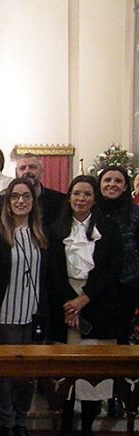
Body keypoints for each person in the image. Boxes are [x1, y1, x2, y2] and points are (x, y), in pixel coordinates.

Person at [48, 175, 122, 436]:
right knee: (66, 375)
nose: (81, 199)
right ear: (69, 196)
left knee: (93, 375)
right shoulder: (56, 229)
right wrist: (70, 303)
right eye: (77, 193)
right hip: (64, 305)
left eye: (87, 194)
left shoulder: (109, 229)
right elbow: (53, 270)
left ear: (94, 198)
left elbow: (111, 269)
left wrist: (84, 299)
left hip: (98, 304)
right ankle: (65, 428)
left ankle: (88, 430)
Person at [0, 178, 48, 436]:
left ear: (33, 203)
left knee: (29, 376)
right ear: (8, 203)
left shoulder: (43, 235)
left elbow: (49, 279)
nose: (21, 201)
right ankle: (7, 425)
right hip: (6, 314)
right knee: (7, 376)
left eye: (26, 197)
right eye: (15, 197)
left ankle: (22, 422)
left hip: (33, 315)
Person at [96, 166, 139, 417]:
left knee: (120, 343)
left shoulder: (134, 215)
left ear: (125, 186)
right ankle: (100, 390)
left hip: (126, 286)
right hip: (99, 289)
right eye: (107, 180)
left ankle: (117, 393)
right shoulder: (92, 211)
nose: (112, 184)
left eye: (118, 181)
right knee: (101, 343)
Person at [16, 154, 65, 228]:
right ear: (17, 173)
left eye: (32, 167)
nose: (27, 171)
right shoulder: (7, 201)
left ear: (42, 171)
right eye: (22, 168)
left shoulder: (60, 201)